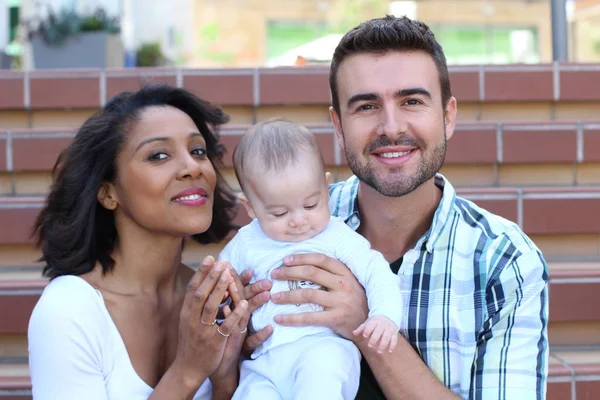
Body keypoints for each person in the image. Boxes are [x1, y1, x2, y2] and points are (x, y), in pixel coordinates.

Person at [241, 15, 549, 400]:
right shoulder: (285, 220)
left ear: (448, 116)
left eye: (412, 101)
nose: (390, 126)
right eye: (367, 106)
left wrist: (362, 320)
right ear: (338, 126)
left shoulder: (504, 260)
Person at [27, 85, 254, 400]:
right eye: (159, 155)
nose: (193, 168)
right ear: (108, 193)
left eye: (198, 151)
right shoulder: (69, 311)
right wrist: (187, 372)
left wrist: (226, 380)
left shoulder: (214, 298)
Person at [218, 119, 403, 399]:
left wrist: (384, 316)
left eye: (311, 204)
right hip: (265, 360)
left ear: (326, 188)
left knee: (320, 378)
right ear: (250, 207)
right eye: (279, 213)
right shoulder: (245, 242)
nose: (298, 220)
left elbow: (376, 271)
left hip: (322, 346)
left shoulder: (336, 235)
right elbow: (222, 284)